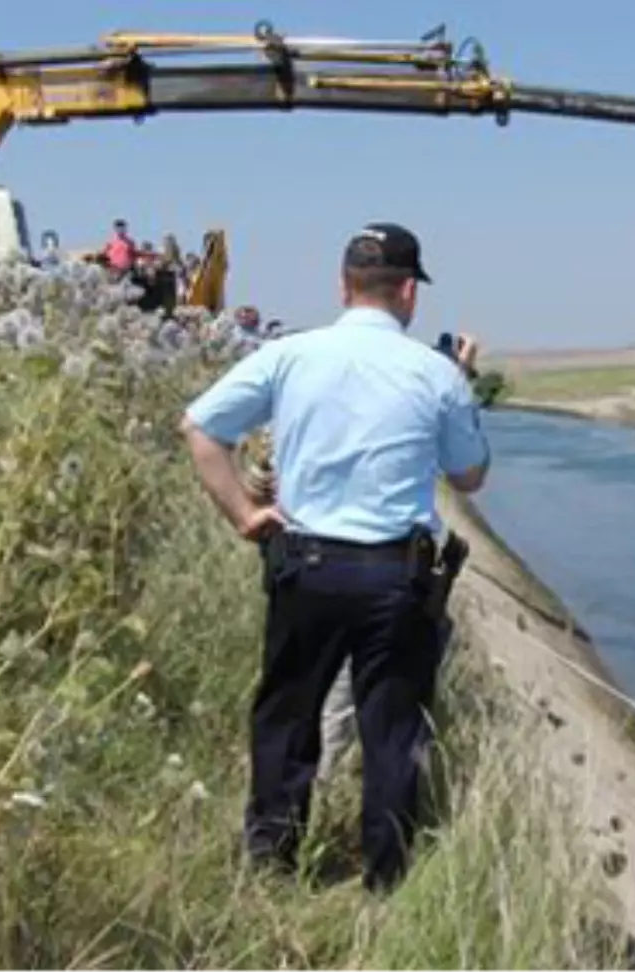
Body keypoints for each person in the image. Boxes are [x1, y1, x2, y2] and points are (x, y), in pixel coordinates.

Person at [180, 221, 488, 892]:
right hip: (396, 577)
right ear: (409, 292)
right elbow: (469, 478)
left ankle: (271, 869)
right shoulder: (435, 372)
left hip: (306, 566)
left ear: (343, 286)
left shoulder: (290, 356)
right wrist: (462, 386)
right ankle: (385, 883)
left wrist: (244, 513)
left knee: (287, 722)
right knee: (392, 735)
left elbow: (200, 428)